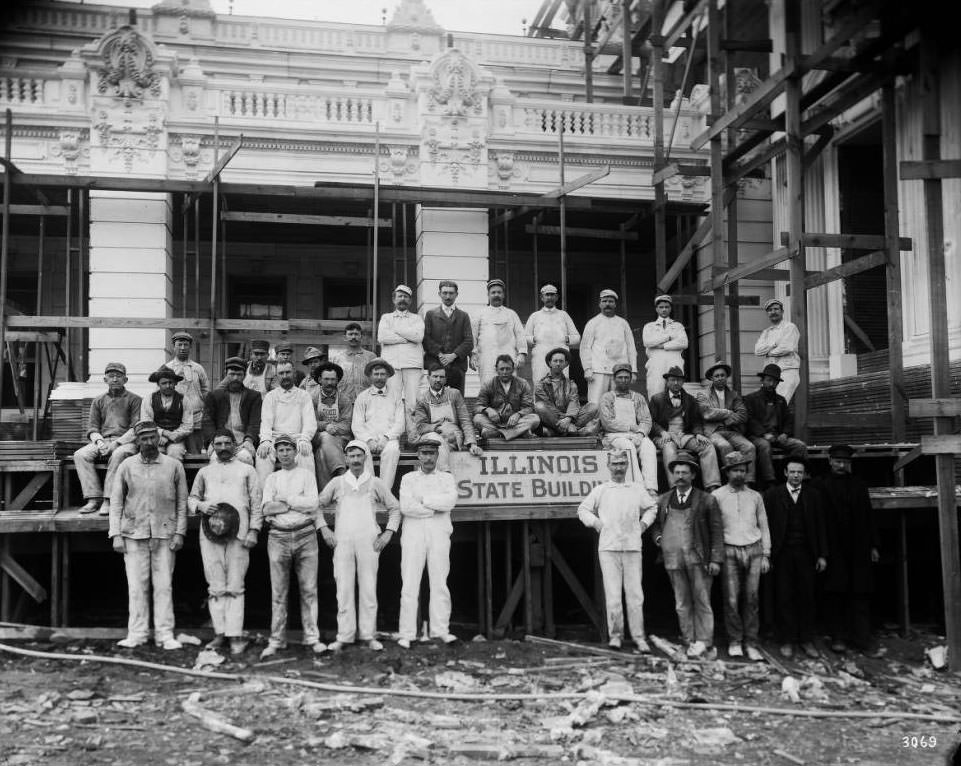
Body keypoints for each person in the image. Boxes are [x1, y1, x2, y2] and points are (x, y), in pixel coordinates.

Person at [109, 420, 187, 650]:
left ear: (158, 438)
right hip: (134, 533)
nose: (149, 442)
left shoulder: (173, 465)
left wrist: (180, 532)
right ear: (137, 441)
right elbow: (116, 502)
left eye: (153, 437)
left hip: (165, 533)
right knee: (136, 586)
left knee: (164, 586)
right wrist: (115, 534)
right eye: (144, 438)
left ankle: (165, 635)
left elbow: (182, 502)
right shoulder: (127, 466)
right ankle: (137, 634)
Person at [317, 440, 400, 652]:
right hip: (342, 540)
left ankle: (368, 635)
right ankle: (344, 635)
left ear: (365, 458)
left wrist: (388, 534)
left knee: (368, 588)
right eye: (351, 456)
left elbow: (395, 508)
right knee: (343, 588)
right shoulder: (337, 483)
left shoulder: (375, 483)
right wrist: (325, 529)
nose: (355, 460)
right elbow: (316, 506)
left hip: (369, 541)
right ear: (345, 459)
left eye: (358, 456)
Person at [188, 428, 262, 656]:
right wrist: (201, 506)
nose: (222, 448)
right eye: (218, 444)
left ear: (235, 445)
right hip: (210, 535)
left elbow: (257, 503)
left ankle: (235, 635)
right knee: (216, 586)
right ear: (212, 446)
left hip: (239, 534)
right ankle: (220, 633)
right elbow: (192, 498)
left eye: (227, 443)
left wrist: (254, 531)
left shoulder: (247, 471)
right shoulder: (204, 472)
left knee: (235, 586)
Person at [577, 449, 657, 652]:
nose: (619, 467)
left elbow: (652, 508)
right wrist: (596, 523)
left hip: (632, 547)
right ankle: (616, 636)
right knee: (613, 596)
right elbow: (582, 509)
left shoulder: (636, 489)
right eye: (615, 464)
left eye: (622, 463)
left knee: (635, 595)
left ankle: (639, 637)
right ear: (609, 466)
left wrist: (644, 525)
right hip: (609, 548)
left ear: (627, 466)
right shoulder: (601, 490)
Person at [254, 433, 326, 659]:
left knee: (309, 590)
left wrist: (286, 501)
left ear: (295, 452)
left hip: (305, 534)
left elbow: (313, 504)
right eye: (281, 450)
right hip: (278, 537)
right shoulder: (272, 479)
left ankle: (312, 638)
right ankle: (277, 640)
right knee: (279, 592)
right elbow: (266, 508)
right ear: (276, 453)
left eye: (288, 449)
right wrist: (296, 502)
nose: (285, 453)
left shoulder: (306, 475)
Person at [650, 451, 724, 658]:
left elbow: (717, 531)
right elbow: (655, 526)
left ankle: (704, 641)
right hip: (673, 558)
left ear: (693, 475)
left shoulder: (707, 500)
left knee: (701, 600)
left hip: (698, 558)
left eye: (685, 472)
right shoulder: (663, 500)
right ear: (672, 475)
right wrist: (658, 539)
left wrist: (716, 559)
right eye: (677, 472)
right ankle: (688, 639)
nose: (680, 476)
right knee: (681, 601)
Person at [813, 444, 881, 657]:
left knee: (860, 592)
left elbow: (868, 516)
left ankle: (861, 640)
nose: (841, 465)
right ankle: (838, 637)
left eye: (845, 462)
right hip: (833, 548)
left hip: (858, 547)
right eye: (838, 461)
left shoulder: (859, 485)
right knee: (836, 592)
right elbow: (816, 522)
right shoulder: (819, 485)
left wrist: (873, 545)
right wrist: (821, 551)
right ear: (830, 461)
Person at [397, 433, 459, 649]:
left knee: (439, 582)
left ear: (437, 454)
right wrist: (433, 508)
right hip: (413, 533)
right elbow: (406, 507)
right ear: (418, 455)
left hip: (439, 532)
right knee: (410, 583)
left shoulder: (446, 478)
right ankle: (407, 633)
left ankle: (441, 630)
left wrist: (424, 500)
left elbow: (449, 502)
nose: (428, 458)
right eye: (424, 453)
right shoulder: (408, 479)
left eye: (432, 453)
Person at [765, 458, 827, 660]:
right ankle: (787, 640)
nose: (796, 476)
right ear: (785, 472)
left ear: (804, 474)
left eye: (799, 472)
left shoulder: (814, 496)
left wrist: (822, 555)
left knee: (807, 596)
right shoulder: (773, 495)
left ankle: (806, 639)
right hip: (782, 554)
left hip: (806, 554)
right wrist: (768, 554)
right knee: (784, 597)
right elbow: (765, 526)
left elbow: (821, 526)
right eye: (792, 472)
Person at [712, 452, 770, 662]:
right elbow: (715, 529)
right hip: (729, 551)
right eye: (735, 470)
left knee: (752, 598)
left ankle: (751, 642)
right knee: (731, 598)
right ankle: (735, 641)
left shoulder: (755, 496)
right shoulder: (717, 496)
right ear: (727, 472)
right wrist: (716, 556)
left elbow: (764, 526)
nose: (739, 474)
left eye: (743, 470)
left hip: (754, 550)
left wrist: (766, 554)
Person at [75, 362, 142, 516]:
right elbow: (92, 428)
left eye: (118, 376)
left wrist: (117, 443)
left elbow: (136, 428)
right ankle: (94, 498)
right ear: (105, 380)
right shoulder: (98, 401)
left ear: (125, 380)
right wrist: (99, 442)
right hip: (103, 440)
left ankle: (109, 500)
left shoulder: (135, 400)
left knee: (118, 454)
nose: (114, 379)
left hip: (126, 442)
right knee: (81, 455)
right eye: (111, 376)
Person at [649, 366, 721, 491]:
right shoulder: (657, 399)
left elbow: (696, 421)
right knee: (669, 450)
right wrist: (662, 432)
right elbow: (651, 422)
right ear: (667, 381)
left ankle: (712, 486)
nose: (676, 383)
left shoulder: (690, 399)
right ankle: (675, 488)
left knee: (707, 446)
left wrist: (698, 434)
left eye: (679, 380)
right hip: (666, 436)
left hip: (685, 436)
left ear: (683, 382)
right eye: (672, 380)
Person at [743, 364, 808, 489]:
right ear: (762, 381)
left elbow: (788, 419)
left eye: (775, 381)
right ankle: (770, 481)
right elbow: (749, 420)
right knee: (765, 446)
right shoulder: (751, 399)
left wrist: (785, 433)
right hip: (757, 437)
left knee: (800, 446)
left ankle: (791, 475)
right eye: (769, 380)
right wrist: (763, 434)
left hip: (777, 436)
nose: (772, 384)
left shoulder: (781, 400)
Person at [598, 363, 658, 494]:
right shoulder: (607, 397)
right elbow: (607, 422)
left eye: (626, 377)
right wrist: (630, 427)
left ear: (630, 379)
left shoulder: (638, 397)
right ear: (614, 379)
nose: (623, 380)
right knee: (628, 447)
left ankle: (651, 488)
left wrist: (641, 434)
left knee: (649, 446)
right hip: (614, 436)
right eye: (620, 377)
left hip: (636, 435)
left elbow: (646, 420)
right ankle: (638, 487)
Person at [257, 360, 317, 485]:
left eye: (288, 372)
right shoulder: (270, 396)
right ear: (277, 375)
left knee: (305, 453)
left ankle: (308, 497)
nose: (285, 376)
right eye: (281, 373)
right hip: (275, 438)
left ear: (294, 373)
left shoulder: (304, 395)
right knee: (263, 454)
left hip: (297, 438)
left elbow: (309, 422)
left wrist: (305, 439)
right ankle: (265, 499)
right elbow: (266, 422)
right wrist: (265, 440)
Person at [697, 361, 756, 484]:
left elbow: (743, 415)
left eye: (722, 375)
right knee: (725, 446)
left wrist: (728, 420)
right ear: (712, 379)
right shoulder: (703, 394)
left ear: (726, 377)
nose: (720, 378)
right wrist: (728, 412)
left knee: (749, 447)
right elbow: (707, 413)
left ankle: (748, 482)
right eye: (716, 376)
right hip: (713, 432)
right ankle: (732, 480)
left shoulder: (733, 395)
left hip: (731, 430)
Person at [412, 364, 482, 467]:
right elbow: (421, 426)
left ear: (446, 379)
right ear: (428, 378)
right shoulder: (422, 399)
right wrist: (435, 427)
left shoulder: (454, 394)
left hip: (453, 436)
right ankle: (445, 472)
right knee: (436, 441)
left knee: (446, 441)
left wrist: (472, 444)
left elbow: (465, 420)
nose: (438, 380)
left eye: (441, 377)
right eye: (435, 376)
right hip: (432, 435)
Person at [351, 358, 404, 491]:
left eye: (382, 374)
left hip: (388, 439)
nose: (379, 377)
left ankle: (383, 492)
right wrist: (369, 440)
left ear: (387, 376)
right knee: (362, 451)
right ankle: (370, 491)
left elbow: (400, 423)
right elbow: (357, 425)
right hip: (367, 439)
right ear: (370, 376)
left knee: (392, 450)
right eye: (376, 374)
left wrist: (386, 438)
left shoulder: (396, 396)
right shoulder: (362, 397)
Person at [581, 289, 638, 406]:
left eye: (611, 301)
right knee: (595, 403)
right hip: (598, 371)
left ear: (615, 304)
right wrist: (587, 368)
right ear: (600, 304)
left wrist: (633, 370)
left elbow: (631, 348)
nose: (607, 304)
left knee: (619, 403)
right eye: (604, 301)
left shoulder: (623, 323)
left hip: (619, 371)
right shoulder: (593, 323)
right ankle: (595, 424)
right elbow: (585, 347)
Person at [202, 356, 262, 465]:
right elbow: (207, 422)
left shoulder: (253, 396)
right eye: (232, 374)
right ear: (226, 373)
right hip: (220, 441)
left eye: (239, 375)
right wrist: (213, 441)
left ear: (244, 375)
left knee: (246, 458)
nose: (235, 378)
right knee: (216, 460)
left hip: (243, 443)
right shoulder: (214, 396)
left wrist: (249, 440)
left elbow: (255, 422)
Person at [377, 285, 425, 415]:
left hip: (412, 364)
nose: (403, 299)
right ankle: (393, 435)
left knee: (413, 402)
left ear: (410, 301)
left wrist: (396, 329)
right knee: (392, 401)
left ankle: (413, 435)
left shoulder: (417, 318)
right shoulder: (386, 318)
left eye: (406, 297)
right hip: (392, 365)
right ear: (394, 299)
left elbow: (418, 336)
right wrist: (407, 338)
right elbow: (382, 337)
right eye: (400, 296)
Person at [470, 278, 527, 385]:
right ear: (488, 295)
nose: (496, 295)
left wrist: (522, 354)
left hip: (508, 357)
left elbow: (520, 335)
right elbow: (473, 336)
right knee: (488, 386)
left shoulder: (511, 314)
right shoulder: (479, 314)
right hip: (486, 357)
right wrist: (473, 355)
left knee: (509, 387)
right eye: (493, 292)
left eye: (499, 292)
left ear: (503, 295)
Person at [534, 348, 600, 437]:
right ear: (550, 363)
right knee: (540, 406)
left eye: (561, 361)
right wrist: (564, 420)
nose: (558, 364)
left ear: (565, 364)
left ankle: (559, 431)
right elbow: (548, 405)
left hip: (570, 418)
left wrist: (568, 419)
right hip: (553, 418)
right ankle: (573, 430)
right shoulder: (541, 384)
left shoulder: (571, 384)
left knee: (593, 407)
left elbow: (574, 402)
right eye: (555, 361)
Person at [472, 355, 541, 440]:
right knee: (477, 419)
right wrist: (488, 410)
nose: (505, 372)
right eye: (502, 369)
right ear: (496, 370)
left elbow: (529, 407)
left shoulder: (523, 383)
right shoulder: (488, 384)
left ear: (513, 369)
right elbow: (477, 407)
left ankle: (496, 434)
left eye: (508, 369)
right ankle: (519, 433)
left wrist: (518, 414)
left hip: (516, 423)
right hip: (495, 423)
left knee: (535, 419)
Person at [422, 280, 473, 393]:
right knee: (436, 398)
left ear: (456, 294)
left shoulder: (463, 316)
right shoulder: (431, 315)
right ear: (439, 294)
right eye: (445, 293)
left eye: (451, 293)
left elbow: (469, 341)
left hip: (457, 365)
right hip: (436, 365)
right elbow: (426, 339)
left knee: (457, 400)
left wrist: (453, 355)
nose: (448, 296)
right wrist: (440, 355)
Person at [311, 361, 354, 490]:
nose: (329, 383)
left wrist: (332, 429)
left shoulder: (344, 399)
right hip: (317, 437)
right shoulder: (312, 398)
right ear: (319, 379)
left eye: (333, 379)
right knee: (324, 437)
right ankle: (341, 473)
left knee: (321, 453)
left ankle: (326, 492)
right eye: (326, 379)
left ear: (337, 381)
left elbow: (347, 425)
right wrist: (325, 426)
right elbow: (310, 422)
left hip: (341, 439)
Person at [524, 283, 580, 382]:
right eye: (547, 295)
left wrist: (567, 339)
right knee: (540, 384)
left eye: (552, 295)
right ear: (542, 297)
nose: (549, 297)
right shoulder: (535, 316)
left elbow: (576, 337)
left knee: (560, 386)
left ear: (557, 297)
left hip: (560, 357)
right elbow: (524, 337)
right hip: (540, 357)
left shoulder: (563, 315)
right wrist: (534, 339)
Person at [166, 330, 210, 454]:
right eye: (179, 344)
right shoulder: (167, 368)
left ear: (190, 347)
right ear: (173, 347)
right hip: (175, 419)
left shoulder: (198, 368)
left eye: (186, 345)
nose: (183, 348)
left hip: (196, 417)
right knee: (175, 451)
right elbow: (160, 393)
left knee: (195, 452)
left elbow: (206, 391)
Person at [140, 365, 193, 462]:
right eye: (164, 383)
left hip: (176, 439)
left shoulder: (184, 400)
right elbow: (146, 423)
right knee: (153, 456)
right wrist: (163, 434)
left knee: (175, 454)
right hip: (154, 438)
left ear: (175, 383)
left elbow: (188, 426)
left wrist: (172, 436)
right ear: (158, 384)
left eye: (170, 382)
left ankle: (174, 477)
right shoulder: (149, 399)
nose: (168, 386)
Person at [754, 298, 800, 404]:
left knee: (779, 403)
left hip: (787, 371)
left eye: (776, 309)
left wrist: (768, 352)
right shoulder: (766, 332)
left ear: (782, 311)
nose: (773, 312)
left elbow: (787, 348)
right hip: (770, 374)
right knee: (765, 403)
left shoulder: (789, 327)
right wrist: (774, 344)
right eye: (770, 310)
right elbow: (757, 351)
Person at [642, 294, 688, 398]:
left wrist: (663, 346)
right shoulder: (649, 326)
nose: (664, 310)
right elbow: (647, 342)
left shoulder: (677, 326)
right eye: (661, 307)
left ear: (670, 308)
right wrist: (668, 337)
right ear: (656, 309)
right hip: (656, 362)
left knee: (675, 390)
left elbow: (684, 343)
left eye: (667, 307)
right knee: (655, 390)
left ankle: (675, 413)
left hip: (674, 361)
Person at [331, 323, 375, 400]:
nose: (353, 337)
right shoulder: (336, 358)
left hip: (367, 400)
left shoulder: (371, 357)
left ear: (361, 337)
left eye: (356, 334)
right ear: (345, 337)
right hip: (343, 401)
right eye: (350, 334)